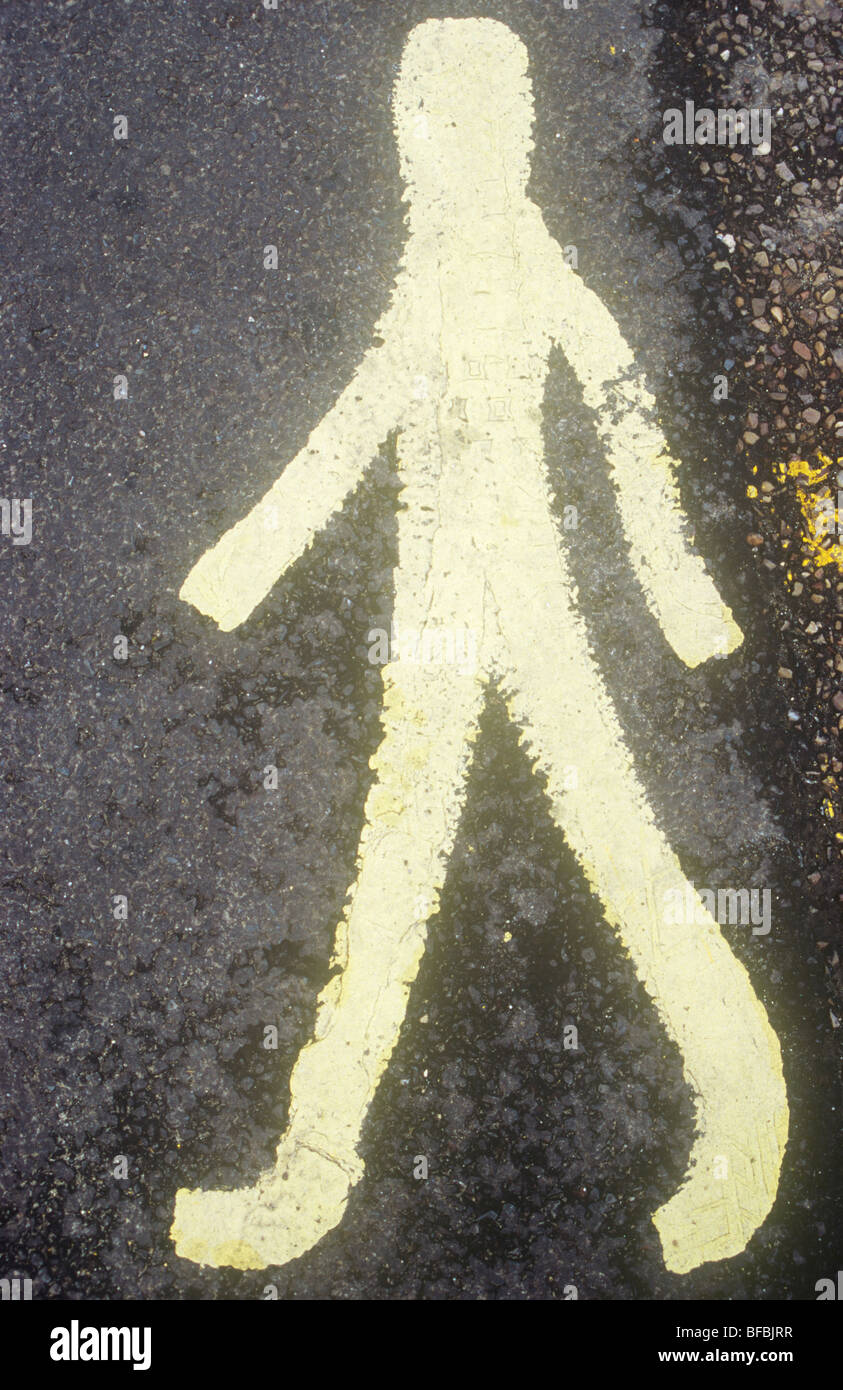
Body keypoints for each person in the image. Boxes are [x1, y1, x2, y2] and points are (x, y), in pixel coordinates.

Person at [171, 17, 788, 1276]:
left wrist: (679, 596)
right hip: (438, 629)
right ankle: (309, 1181)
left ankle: (738, 1123)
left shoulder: (529, 267)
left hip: (526, 613)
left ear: (493, 136)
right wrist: (234, 569)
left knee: (577, 860)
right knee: (397, 883)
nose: (438, 149)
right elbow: (359, 424)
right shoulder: (435, 280)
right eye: (428, 127)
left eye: (453, 125)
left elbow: (620, 416)